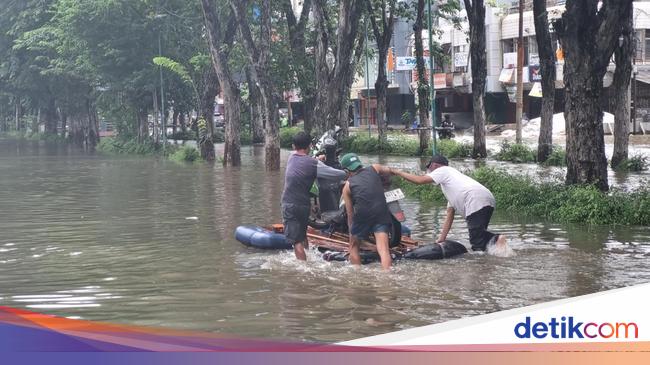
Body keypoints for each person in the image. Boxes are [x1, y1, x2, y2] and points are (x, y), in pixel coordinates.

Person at [391, 155, 507, 252]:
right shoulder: (453, 185)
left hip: (474, 198)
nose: (429, 171)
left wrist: (397, 172)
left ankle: (496, 239)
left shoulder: (443, 170)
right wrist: (441, 239)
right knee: (479, 238)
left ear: (435, 165)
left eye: (429, 168)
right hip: (486, 198)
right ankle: (494, 258)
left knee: (476, 241)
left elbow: (419, 180)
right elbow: (449, 216)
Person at [281, 131, 347, 261]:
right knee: (303, 235)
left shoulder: (291, 157)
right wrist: (346, 172)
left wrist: (317, 159)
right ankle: (308, 258)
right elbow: (337, 174)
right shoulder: (314, 164)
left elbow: (302, 161)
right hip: (304, 206)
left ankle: (304, 267)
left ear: (294, 146)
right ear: (310, 145)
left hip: (289, 204)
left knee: (297, 241)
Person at [340, 153, 394, 270]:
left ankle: (357, 274)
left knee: (354, 247)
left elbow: (350, 214)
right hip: (381, 212)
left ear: (346, 170)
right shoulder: (374, 168)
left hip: (363, 215)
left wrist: (352, 232)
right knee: (384, 250)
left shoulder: (347, 186)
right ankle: (388, 280)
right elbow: (389, 170)